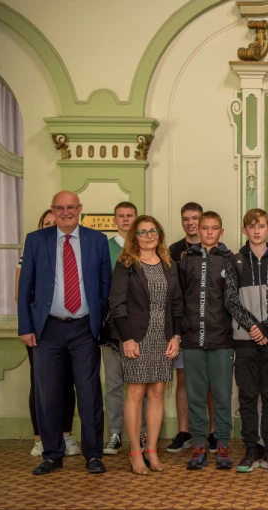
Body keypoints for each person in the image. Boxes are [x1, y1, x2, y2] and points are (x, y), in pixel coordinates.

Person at [18, 190, 111, 476]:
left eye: (71, 207)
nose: (66, 212)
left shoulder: (97, 240)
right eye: (60, 208)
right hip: (47, 330)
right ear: (53, 210)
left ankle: (93, 455)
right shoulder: (36, 240)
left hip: (84, 329)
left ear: (80, 208)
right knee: (47, 394)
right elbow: (25, 287)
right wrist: (26, 327)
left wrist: (103, 326)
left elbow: (105, 286)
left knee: (89, 394)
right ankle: (52, 455)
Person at [110, 215, 183, 475]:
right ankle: (135, 452)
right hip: (136, 338)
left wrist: (176, 336)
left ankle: (151, 450)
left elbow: (177, 304)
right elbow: (117, 304)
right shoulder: (126, 264)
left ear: (159, 234)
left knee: (157, 393)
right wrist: (127, 338)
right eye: (143, 232)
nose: (149, 236)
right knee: (136, 394)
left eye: (153, 231)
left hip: (163, 337)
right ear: (135, 237)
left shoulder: (169, 264)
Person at [225, 208, 268, 473]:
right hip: (244, 339)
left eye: (261, 226)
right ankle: (251, 448)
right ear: (244, 230)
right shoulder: (234, 260)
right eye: (251, 226)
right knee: (248, 396)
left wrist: (265, 327)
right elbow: (231, 300)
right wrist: (253, 327)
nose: (256, 230)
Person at [16, 209, 79, 458]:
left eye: (55, 223)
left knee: (67, 383)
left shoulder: (71, 252)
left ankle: (65, 434)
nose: (52, 226)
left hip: (69, 328)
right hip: (39, 330)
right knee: (41, 385)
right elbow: (20, 294)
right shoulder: (31, 253)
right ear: (40, 227)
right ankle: (40, 438)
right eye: (47, 223)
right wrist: (28, 326)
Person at [178, 211, 237, 470]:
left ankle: (222, 444)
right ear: (198, 230)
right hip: (192, 339)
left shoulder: (230, 260)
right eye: (205, 228)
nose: (209, 232)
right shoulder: (185, 260)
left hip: (222, 339)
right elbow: (178, 299)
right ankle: (199, 445)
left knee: (222, 395)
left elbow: (235, 301)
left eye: (214, 228)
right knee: (195, 396)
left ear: (221, 232)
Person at [166, 202, 208, 453]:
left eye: (195, 218)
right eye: (186, 219)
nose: (190, 223)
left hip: (210, 326)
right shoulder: (172, 251)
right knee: (183, 379)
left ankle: (212, 433)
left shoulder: (215, 248)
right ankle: (184, 432)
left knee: (210, 381)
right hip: (182, 324)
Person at [103, 201, 139, 455]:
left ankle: (143, 432)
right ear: (114, 219)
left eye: (130, 215)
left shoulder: (145, 246)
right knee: (114, 383)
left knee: (142, 383)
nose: (126, 220)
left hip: (140, 327)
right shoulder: (105, 248)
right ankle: (115, 433)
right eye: (121, 216)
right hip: (112, 327)